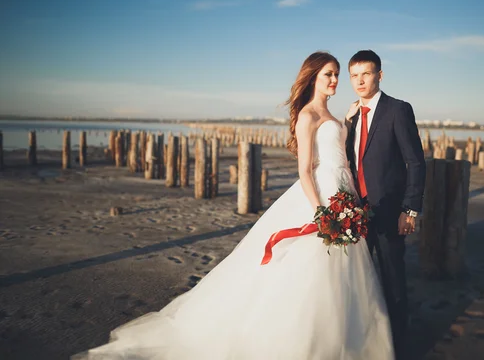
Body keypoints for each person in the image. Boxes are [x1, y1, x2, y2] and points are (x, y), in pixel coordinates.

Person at [73, 52, 394, 360]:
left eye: (337, 74)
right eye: (329, 74)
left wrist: (349, 122)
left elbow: (340, 151)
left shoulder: (336, 117)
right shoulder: (308, 116)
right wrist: (320, 212)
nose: (335, 79)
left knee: (346, 273)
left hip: (343, 193)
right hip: (321, 198)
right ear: (313, 77)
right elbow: (305, 171)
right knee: (309, 272)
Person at [344, 50, 426, 358]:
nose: (360, 80)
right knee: (360, 280)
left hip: (391, 212)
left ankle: (398, 343)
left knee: (393, 278)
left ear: (380, 75)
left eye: (366, 73)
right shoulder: (352, 115)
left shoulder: (397, 109)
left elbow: (415, 162)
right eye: (354, 75)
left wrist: (410, 209)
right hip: (356, 213)